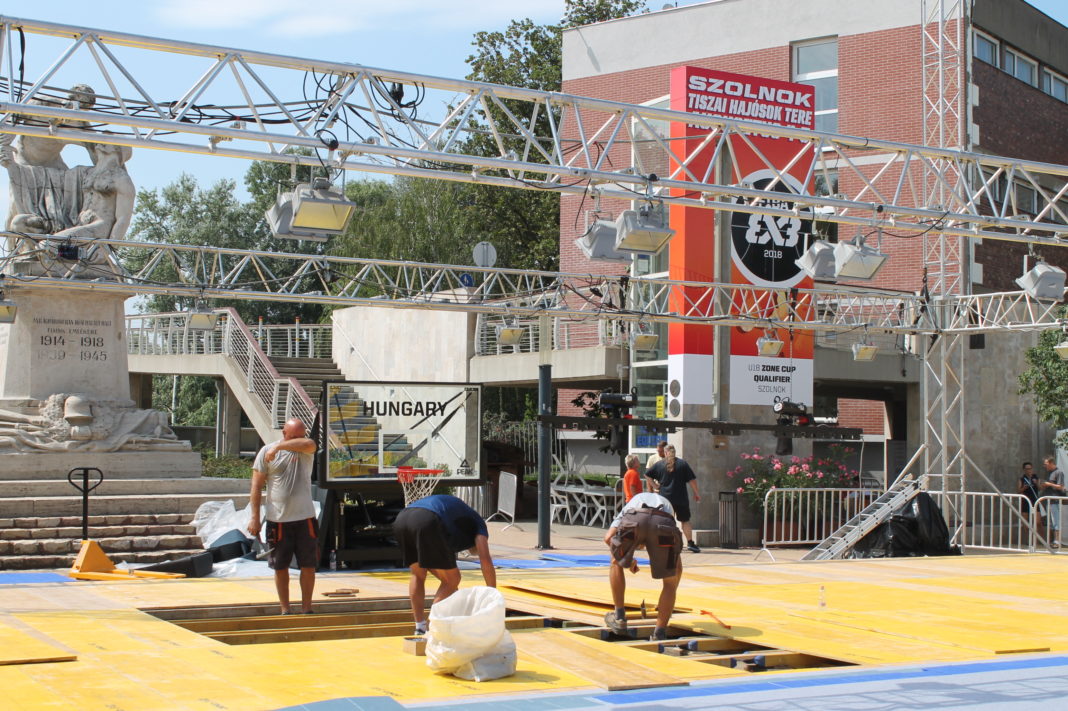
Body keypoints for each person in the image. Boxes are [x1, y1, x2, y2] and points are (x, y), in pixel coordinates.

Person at [393, 494, 496, 635]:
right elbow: (485, 560)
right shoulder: (479, 525)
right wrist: (492, 593)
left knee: (418, 574)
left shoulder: (457, 523)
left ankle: (420, 627)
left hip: (402, 518)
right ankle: (432, 626)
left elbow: (430, 563)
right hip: (429, 519)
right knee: (453, 579)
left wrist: (451, 589)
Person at [247, 418, 319, 615]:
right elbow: (256, 486)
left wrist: (280, 447)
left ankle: (307, 607)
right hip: (278, 519)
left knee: (308, 564)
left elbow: (310, 444)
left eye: (299, 436)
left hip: (304, 517)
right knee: (280, 565)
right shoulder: (266, 452)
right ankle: (285, 608)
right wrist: (254, 517)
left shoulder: (305, 448)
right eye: (292, 436)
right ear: (284, 433)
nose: (296, 440)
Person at [602, 491, 682, 642]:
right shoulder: (668, 506)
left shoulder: (630, 505)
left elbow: (608, 538)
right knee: (672, 577)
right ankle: (660, 632)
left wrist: (626, 559)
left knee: (615, 559)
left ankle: (619, 617)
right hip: (662, 521)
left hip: (635, 518)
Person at [645, 444, 702, 553]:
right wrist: (696, 493)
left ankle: (665, 543)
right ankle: (690, 543)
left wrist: (655, 486)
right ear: (674, 452)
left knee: (665, 521)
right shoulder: (683, 464)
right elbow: (692, 480)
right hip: (681, 499)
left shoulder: (660, 464)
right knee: (685, 521)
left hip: (665, 499)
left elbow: (647, 474)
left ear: (665, 453)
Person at [1041, 455, 1066, 547]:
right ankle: (1052, 541)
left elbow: (1061, 486)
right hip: (1048, 500)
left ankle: (1057, 541)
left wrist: (1049, 484)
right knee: (1050, 522)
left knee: (1056, 521)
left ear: (1051, 463)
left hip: (1055, 500)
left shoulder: (1059, 473)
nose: (1045, 466)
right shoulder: (1049, 473)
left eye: (1046, 464)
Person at [1017, 461, 1042, 533]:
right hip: (1025, 501)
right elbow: (1018, 491)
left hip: (1035, 501)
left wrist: (1036, 483)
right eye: (1027, 469)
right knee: (1025, 522)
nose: (1029, 470)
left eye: (1030, 468)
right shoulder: (1022, 479)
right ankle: (1029, 539)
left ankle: (1040, 539)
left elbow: (1040, 488)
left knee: (1038, 522)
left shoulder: (1036, 477)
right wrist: (1024, 488)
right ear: (1024, 470)